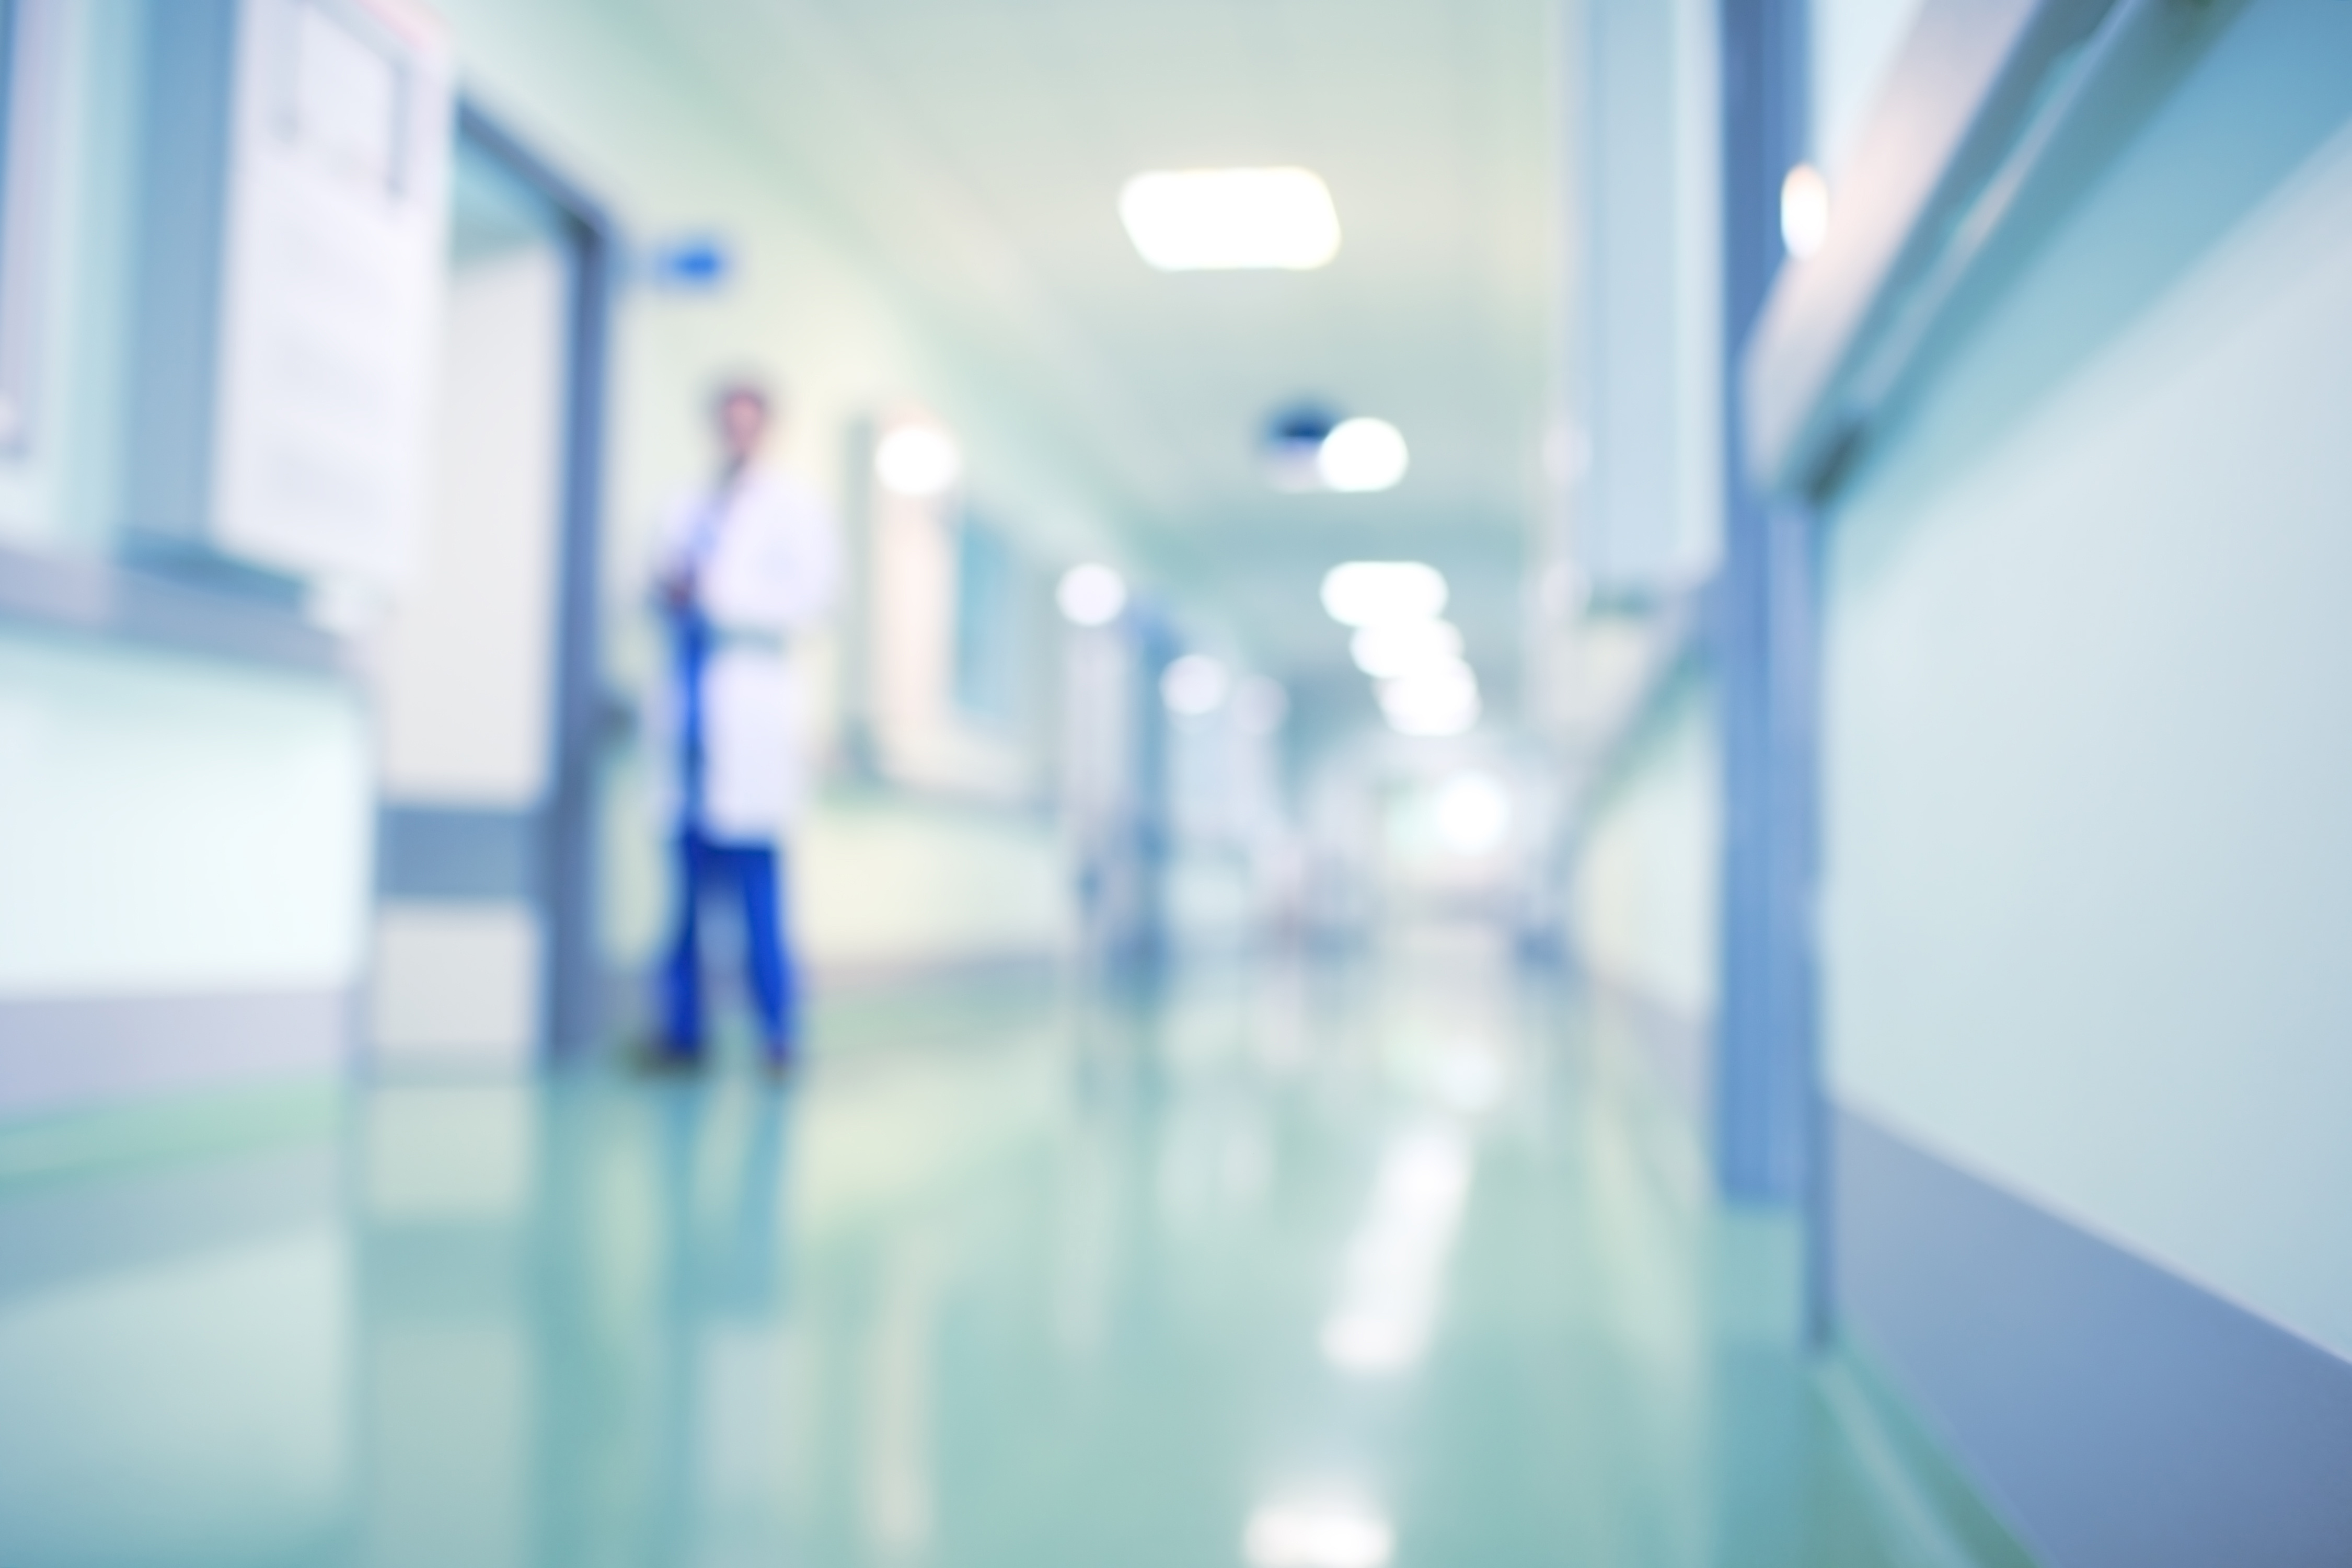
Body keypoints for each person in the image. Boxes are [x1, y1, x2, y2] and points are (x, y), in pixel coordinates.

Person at [644, 381, 841, 1073]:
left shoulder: (794, 510)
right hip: (690, 710)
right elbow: (660, 587)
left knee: (759, 892)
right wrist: (670, 591)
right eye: (726, 423)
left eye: (749, 424)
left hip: (752, 707)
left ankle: (778, 1035)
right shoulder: (686, 506)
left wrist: (718, 595)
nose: (737, 435)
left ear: (768, 431)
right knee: (685, 899)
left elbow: (812, 600)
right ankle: (682, 1033)